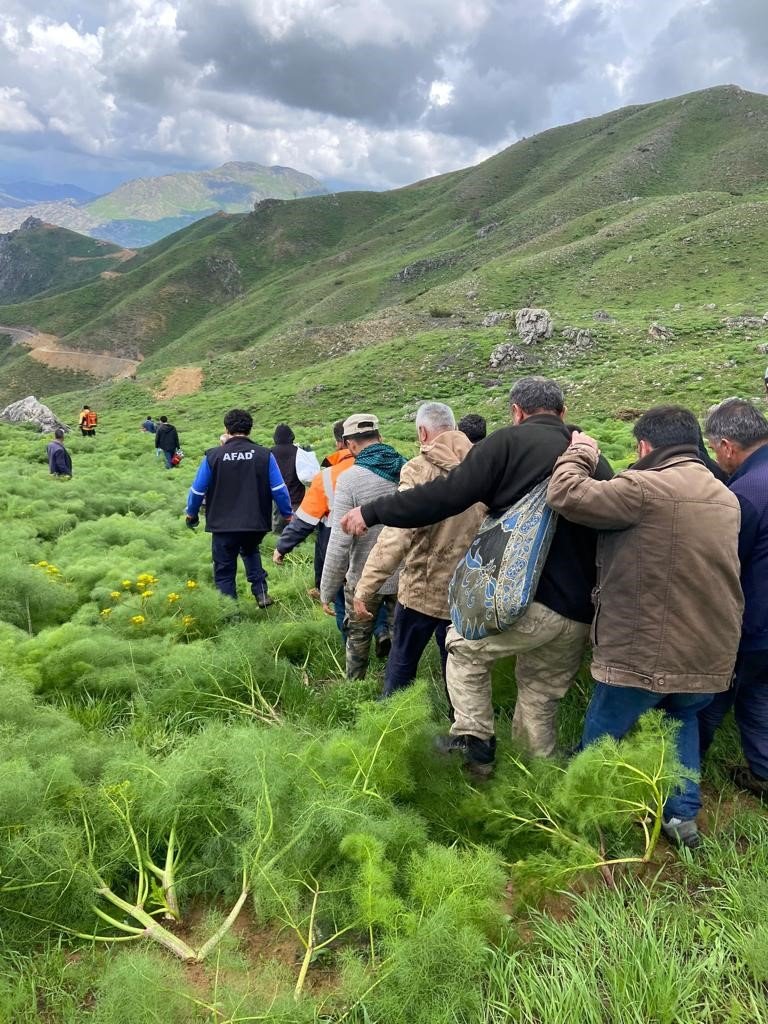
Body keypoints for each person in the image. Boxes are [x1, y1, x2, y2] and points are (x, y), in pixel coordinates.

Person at [342, 377, 613, 771]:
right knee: (539, 696)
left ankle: (475, 742)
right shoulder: (591, 457)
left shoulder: (507, 444)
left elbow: (444, 497)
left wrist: (371, 512)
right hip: (578, 611)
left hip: (527, 602)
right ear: (563, 412)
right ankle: (533, 779)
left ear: (516, 412)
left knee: (462, 647)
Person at [547, 405, 743, 849]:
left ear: (643, 446)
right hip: (711, 648)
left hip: (647, 651)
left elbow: (566, 494)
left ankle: (583, 811)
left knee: (604, 730)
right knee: (680, 721)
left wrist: (581, 451)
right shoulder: (724, 495)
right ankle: (681, 818)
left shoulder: (643, 487)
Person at [354, 402, 485, 703]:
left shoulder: (418, 469)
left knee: (402, 664)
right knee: (459, 670)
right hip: (469, 591)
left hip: (422, 591)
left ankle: (393, 718)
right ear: (455, 428)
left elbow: (396, 535)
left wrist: (366, 587)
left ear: (423, 433)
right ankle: (460, 725)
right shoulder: (484, 466)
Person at [699, 398, 768, 797]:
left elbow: (727, 561)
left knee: (712, 697)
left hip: (756, 624)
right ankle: (763, 771)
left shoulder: (746, 493)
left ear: (726, 446)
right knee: (758, 693)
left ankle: (683, 773)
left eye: (713, 449)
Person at [321, 414, 406, 679]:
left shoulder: (350, 479)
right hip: (404, 573)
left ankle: (355, 688)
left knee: (357, 637)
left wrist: (327, 589)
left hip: (364, 577)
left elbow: (340, 540)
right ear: (379, 437)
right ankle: (396, 688)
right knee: (400, 638)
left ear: (350, 444)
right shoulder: (406, 468)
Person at [185, 408, 292, 607]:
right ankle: (261, 592)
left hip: (222, 524)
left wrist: (191, 513)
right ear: (250, 429)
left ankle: (230, 611)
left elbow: (198, 490)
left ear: (226, 429)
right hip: (255, 521)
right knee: (250, 551)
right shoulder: (264, 455)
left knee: (224, 570)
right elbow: (279, 489)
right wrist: (287, 514)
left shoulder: (213, 456)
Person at [270, 424, 321, 533]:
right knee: (296, 532)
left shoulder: (269, 453)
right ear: (291, 436)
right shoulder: (299, 452)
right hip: (296, 500)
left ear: (275, 438)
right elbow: (310, 476)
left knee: (277, 533)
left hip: (278, 500)